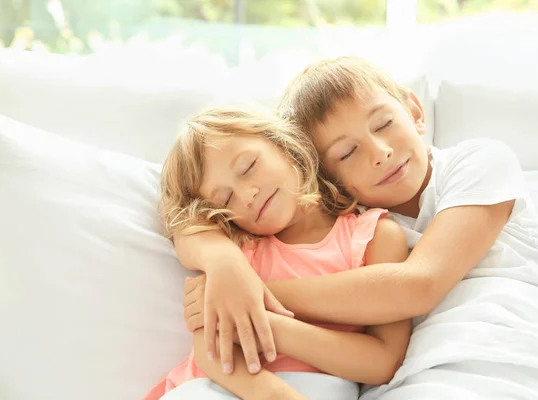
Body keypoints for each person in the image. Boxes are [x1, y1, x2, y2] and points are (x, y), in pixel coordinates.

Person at [180, 57, 538, 399]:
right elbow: (187, 221)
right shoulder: (354, 226)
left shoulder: (477, 162)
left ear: (414, 112)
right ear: (326, 174)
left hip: (517, 354)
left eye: (382, 124)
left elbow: (419, 285)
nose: (380, 153)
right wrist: (221, 262)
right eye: (347, 152)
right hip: (412, 379)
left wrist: (248, 292)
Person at [145, 106, 412, 400]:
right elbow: (210, 348)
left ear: (284, 145)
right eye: (226, 198)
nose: (247, 195)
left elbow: (384, 362)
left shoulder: (373, 237)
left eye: (248, 167)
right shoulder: (240, 249)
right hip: (222, 388)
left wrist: (269, 326)